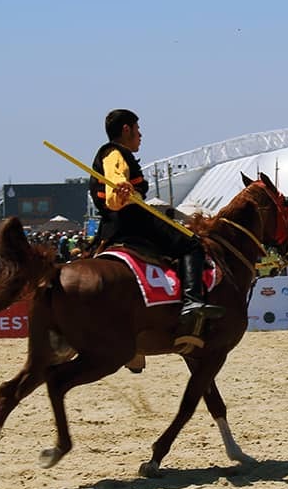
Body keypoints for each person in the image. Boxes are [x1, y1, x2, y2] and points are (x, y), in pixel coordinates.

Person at [90, 109, 224, 327]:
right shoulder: (115, 154)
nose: (140, 135)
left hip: (110, 227)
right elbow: (114, 181)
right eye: (137, 130)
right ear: (126, 130)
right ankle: (192, 301)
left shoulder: (114, 153)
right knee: (192, 244)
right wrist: (121, 187)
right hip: (133, 221)